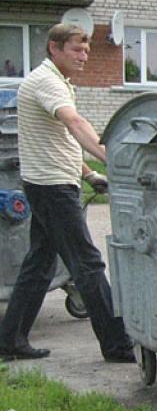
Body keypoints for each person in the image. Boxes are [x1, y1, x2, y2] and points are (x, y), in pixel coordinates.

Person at [0, 23, 135, 363]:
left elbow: (57, 142)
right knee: (87, 264)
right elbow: (75, 124)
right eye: (77, 49)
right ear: (54, 48)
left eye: (87, 50)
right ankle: (117, 345)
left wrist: (89, 173)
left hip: (50, 182)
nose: (84, 56)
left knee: (39, 266)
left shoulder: (57, 82)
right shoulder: (47, 82)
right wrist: (111, 159)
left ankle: (10, 341)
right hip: (52, 188)